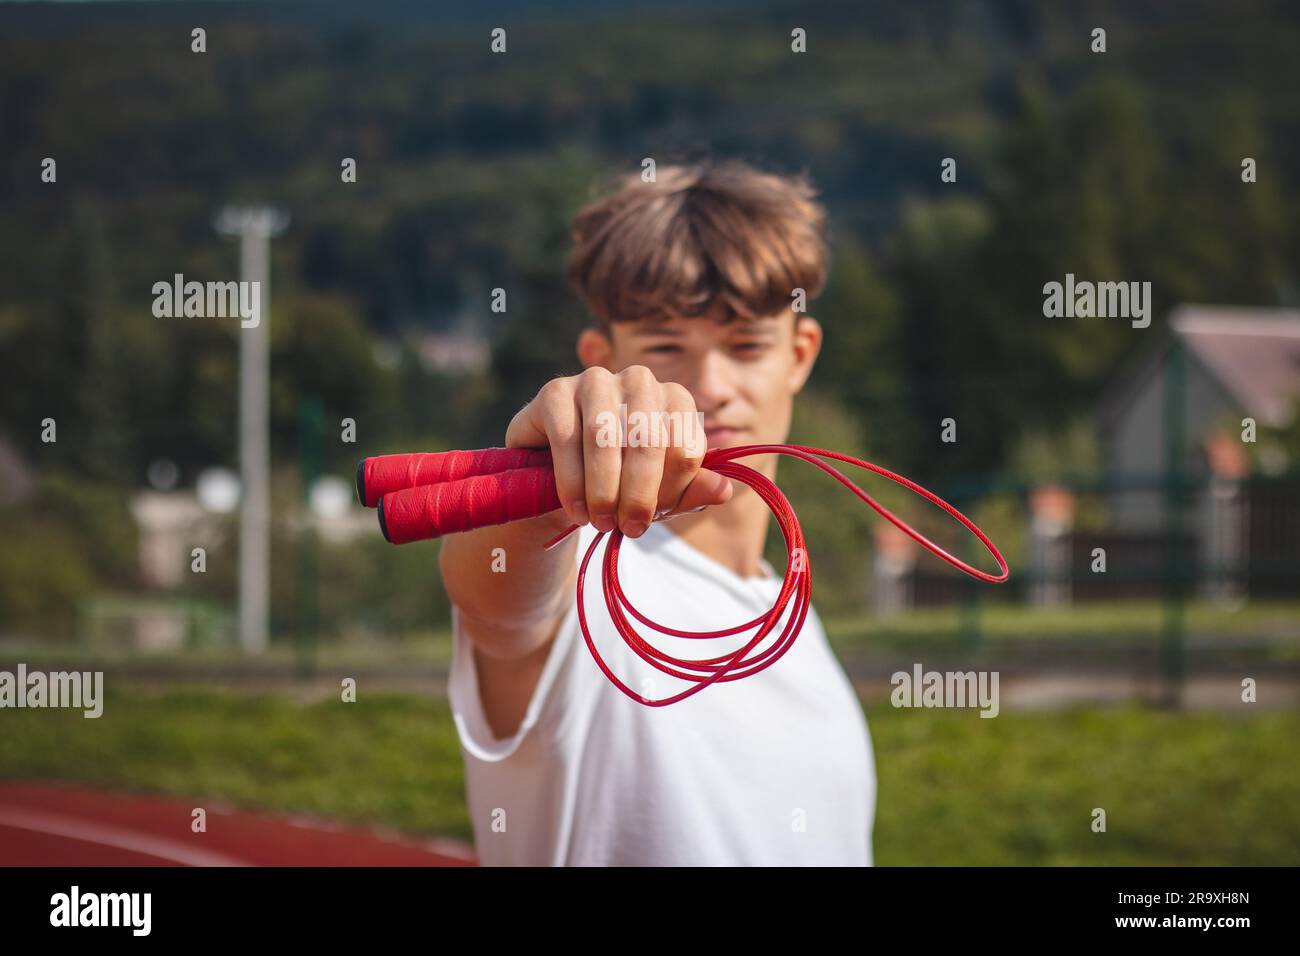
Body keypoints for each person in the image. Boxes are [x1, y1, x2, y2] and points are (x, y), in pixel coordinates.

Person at [439, 159, 876, 865]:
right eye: (667, 346)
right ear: (600, 360)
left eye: (746, 346)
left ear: (800, 355)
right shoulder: (578, 574)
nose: (710, 387)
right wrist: (534, 493)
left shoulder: (793, 618)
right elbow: (496, 603)